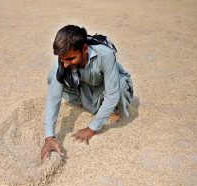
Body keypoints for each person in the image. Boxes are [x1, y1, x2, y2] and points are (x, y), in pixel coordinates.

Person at [40, 25, 134, 162]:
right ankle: (94, 105)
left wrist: (91, 129)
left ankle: (112, 109)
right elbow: (54, 96)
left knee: (119, 84)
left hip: (108, 87)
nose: (65, 64)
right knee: (53, 77)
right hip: (86, 87)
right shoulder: (64, 59)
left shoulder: (105, 54)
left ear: (84, 49)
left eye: (70, 59)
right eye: (62, 59)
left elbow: (112, 94)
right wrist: (49, 137)